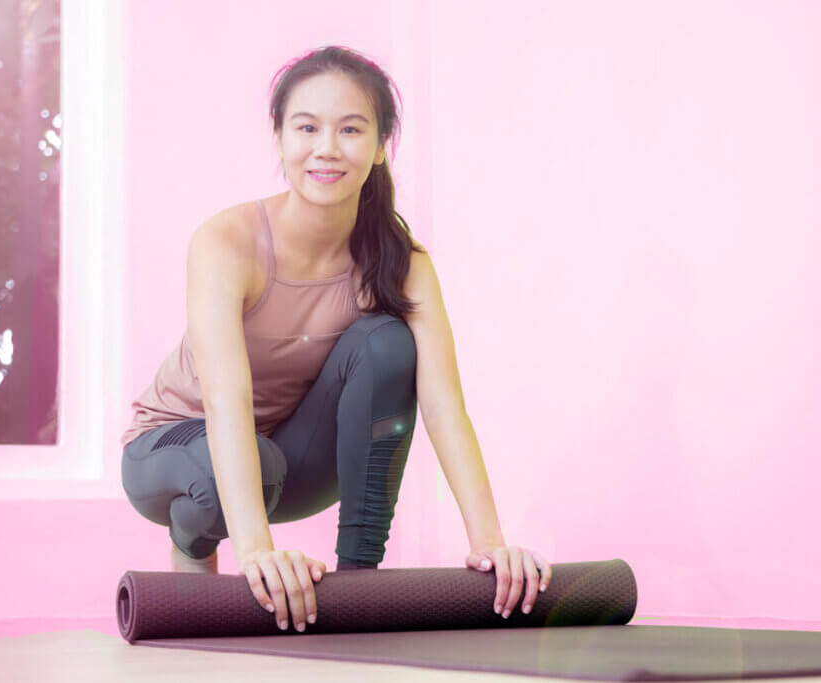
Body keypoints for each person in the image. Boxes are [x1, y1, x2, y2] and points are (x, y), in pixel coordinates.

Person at [121, 45, 552, 635]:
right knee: (236, 467)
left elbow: (444, 404)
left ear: (380, 148)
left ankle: (358, 584)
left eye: (351, 129)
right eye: (307, 127)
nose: (327, 147)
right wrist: (256, 553)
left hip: (289, 463)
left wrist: (490, 545)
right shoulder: (226, 242)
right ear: (280, 139)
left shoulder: (401, 261)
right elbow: (226, 400)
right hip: (173, 451)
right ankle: (194, 544)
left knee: (386, 343)